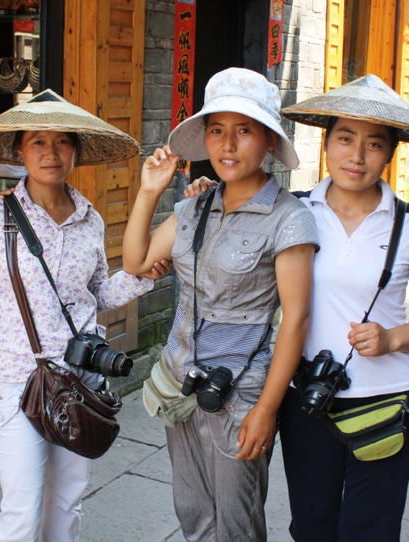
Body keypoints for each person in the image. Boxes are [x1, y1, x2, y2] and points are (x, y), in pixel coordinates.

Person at [0, 89, 170, 542]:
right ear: (19, 150)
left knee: (67, 501)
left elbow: (96, 295)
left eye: (62, 142)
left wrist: (145, 276)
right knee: (21, 509)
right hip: (17, 380)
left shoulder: (89, 218)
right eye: (38, 142)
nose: (51, 153)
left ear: (76, 150)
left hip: (81, 380)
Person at [122, 67, 318, 541]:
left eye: (244, 130)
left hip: (242, 392)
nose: (228, 145)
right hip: (180, 380)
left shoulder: (289, 220)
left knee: (237, 522)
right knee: (193, 512)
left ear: (270, 140)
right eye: (216, 130)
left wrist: (267, 409)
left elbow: (297, 318)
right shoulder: (194, 207)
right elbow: (137, 259)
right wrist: (149, 191)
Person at [275, 74, 409, 541]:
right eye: (345, 139)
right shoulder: (292, 212)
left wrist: (392, 337)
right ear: (326, 143)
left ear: (391, 152)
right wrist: (204, 198)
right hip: (307, 398)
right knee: (311, 526)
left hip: (388, 399)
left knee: (371, 531)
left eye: (373, 144)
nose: (357, 156)